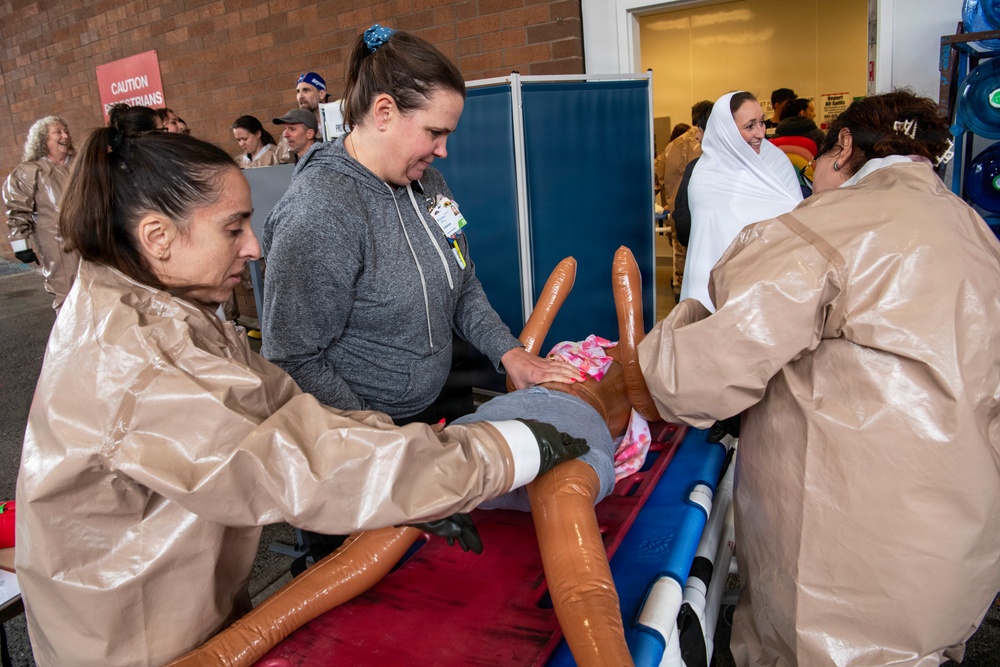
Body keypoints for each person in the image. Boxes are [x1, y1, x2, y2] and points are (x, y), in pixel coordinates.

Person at [14, 126, 588, 667]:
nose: (255, 247)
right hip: (134, 636)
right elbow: (290, 463)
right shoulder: (137, 360)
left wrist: (411, 471)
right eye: (233, 228)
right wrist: (497, 453)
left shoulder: (165, 308)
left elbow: (285, 412)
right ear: (158, 237)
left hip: (180, 599)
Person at [637, 90, 1000, 666]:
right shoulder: (974, 231)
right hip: (958, 535)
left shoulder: (827, 231)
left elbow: (696, 378)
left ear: (845, 146)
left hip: (848, 550)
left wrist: (652, 353)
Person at [262, 24, 582, 423]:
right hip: (368, 430)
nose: (444, 150)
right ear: (384, 112)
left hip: (442, 393)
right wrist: (378, 435)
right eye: (435, 132)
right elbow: (292, 357)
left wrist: (510, 352)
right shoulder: (319, 211)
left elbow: (463, 283)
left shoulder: (426, 181)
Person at [680, 91, 802, 311]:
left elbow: (796, 221)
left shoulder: (776, 161)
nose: (760, 134)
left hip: (773, 282)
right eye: (750, 126)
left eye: (762, 123)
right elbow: (708, 242)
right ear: (726, 131)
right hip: (721, 288)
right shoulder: (705, 175)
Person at [3, 115, 78, 309]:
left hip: (91, 239)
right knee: (66, 292)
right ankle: (68, 337)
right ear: (43, 139)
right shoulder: (30, 171)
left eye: (66, 130)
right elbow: (18, 210)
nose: (65, 135)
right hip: (56, 243)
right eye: (58, 132)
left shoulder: (80, 164)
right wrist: (21, 246)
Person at [655, 100, 713, 300]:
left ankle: (681, 296)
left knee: (681, 258)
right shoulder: (711, 146)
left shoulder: (671, 147)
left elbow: (655, 176)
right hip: (705, 217)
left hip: (677, 215)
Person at [296, 71, 330, 139]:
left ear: (321, 94)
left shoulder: (339, 119)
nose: (300, 96)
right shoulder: (296, 127)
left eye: (306, 90)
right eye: (298, 91)